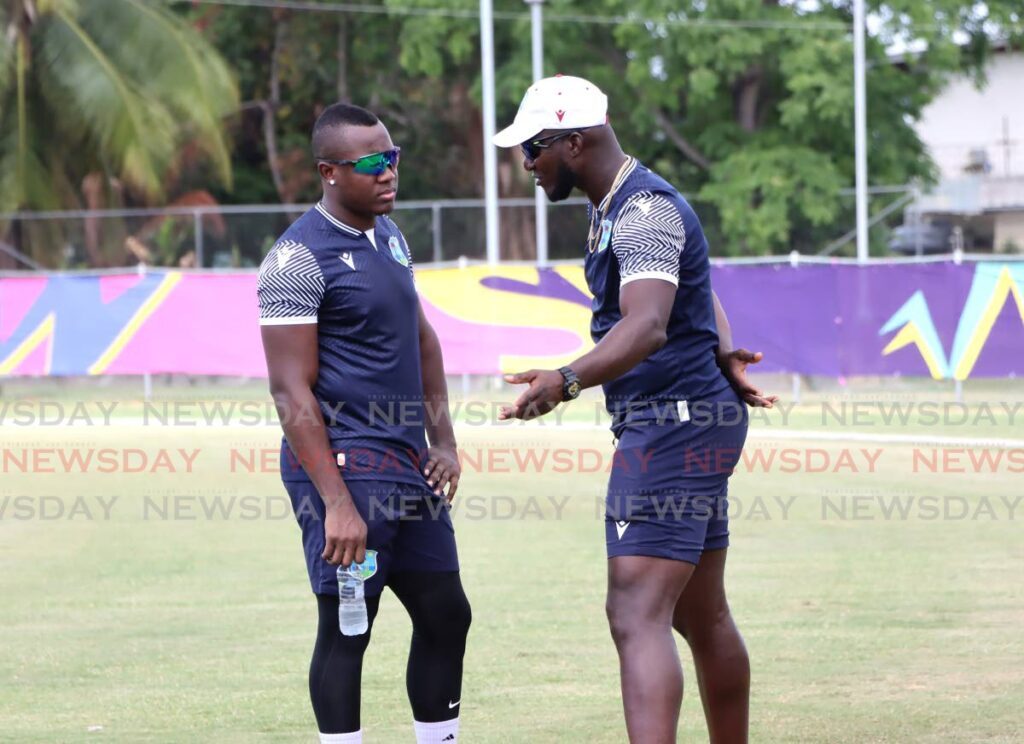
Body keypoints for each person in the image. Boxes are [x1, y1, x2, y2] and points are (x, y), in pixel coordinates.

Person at [493, 75, 778, 744]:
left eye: (533, 149)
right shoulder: (618, 205)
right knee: (699, 615)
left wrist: (565, 380)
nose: (527, 165)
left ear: (575, 140)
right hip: (689, 418)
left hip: (671, 428)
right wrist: (726, 350)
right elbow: (693, 293)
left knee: (635, 611)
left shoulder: (643, 209)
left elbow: (648, 323)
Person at [257, 102, 471, 744]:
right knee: (349, 627)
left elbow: (424, 340)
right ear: (329, 171)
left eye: (393, 157)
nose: (389, 173)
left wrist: (445, 442)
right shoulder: (294, 258)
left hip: (407, 465)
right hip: (347, 469)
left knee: (446, 616)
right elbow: (289, 388)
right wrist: (336, 505)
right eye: (373, 163)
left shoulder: (391, 236)